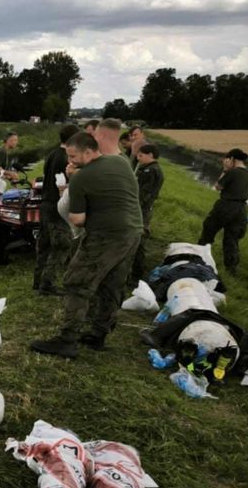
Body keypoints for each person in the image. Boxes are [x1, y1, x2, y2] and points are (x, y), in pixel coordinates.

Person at [30, 132, 143, 358]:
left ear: (89, 151)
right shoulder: (120, 162)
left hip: (104, 236)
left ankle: (67, 340)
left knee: (76, 282)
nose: (69, 161)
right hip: (133, 232)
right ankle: (98, 334)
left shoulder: (83, 177)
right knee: (112, 284)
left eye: (73, 156)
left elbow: (77, 219)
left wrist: (73, 181)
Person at [33, 123, 79, 295]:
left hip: (45, 204)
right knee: (61, 246)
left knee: (43, 245)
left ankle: (37, 280)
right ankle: (47, 284)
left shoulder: (52, 154)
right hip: (57, 207)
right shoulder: (67, 159)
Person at [199, 148, 248, 273]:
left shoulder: (232, 172)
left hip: (226, 206)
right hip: (241, 210)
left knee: (209, 230)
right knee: (232, 238)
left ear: (231, 159)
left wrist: (225, 169)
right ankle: (231, 268)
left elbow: (218, 187)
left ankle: (200, 256)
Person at [130, 143, 165, 281]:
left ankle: (137, 276)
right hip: (143, 209)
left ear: (150, 155)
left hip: (142, 211)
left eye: (141, 155)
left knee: (139, 242)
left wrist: (134, 208)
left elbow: (144, 194)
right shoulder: (150, 168)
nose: (139, 158)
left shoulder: (151, 171)